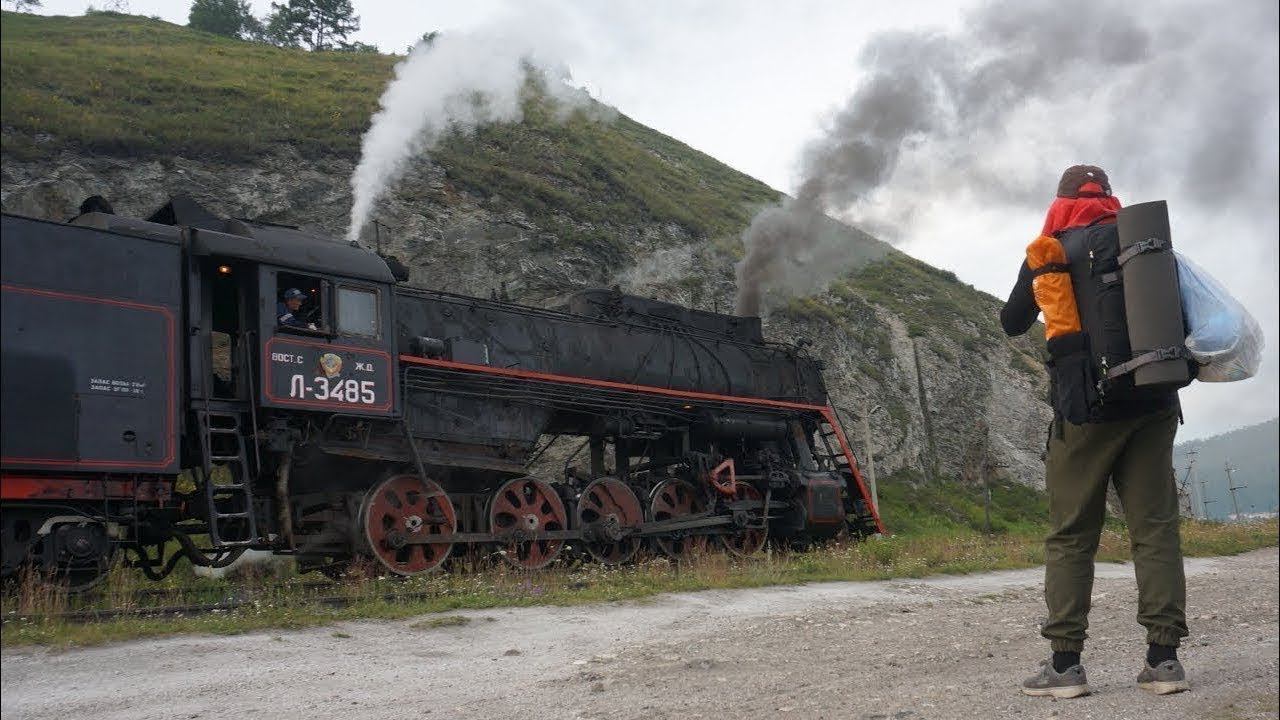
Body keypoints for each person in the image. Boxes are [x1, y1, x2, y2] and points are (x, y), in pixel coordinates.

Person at [1002, 165, 1190, 699]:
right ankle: (1164, 661)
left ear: (1061, 202)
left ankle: (1065, 667)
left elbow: (1012, 321)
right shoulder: (1147, 247)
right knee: (1155, 530)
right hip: (1154, 402)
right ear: (1110, 198)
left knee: (1071, 536)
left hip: (1087, 410)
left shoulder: (1051, 247)